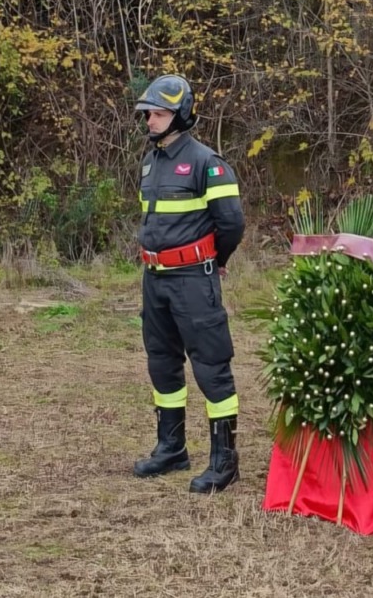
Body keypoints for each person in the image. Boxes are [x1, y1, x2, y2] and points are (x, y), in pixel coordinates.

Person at [130, 74, 246, 494]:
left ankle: (224, 460)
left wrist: (217, 262)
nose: (150, 122)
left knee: (211, 367)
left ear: (180, 115)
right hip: (155, 279)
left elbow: (231, 223)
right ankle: (172, 448)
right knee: (161, 362)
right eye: (148, 115)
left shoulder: (207, 163)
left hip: (194, 281)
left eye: (158, 114)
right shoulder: (150, 162)